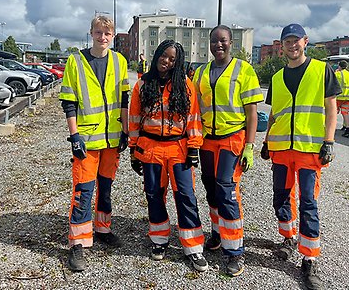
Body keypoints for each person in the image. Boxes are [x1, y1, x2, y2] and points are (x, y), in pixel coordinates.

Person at [260, 23, 341, 290]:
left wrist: (329, 141)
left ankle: (309, 258)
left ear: (305, 42)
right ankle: (288, 238)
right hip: (282, 150)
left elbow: (332, 108)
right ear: (281, 46)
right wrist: (266, 139)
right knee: (281, 199)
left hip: (309, 151)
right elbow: (274, 114)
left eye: (296, 41)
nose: (292, 46)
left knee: (308, 203)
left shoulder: (321, 70)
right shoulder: (277, 77)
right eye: (287, 42)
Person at [128, 39, 208, 272]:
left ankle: (193, 247)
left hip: (178, 148)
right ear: (157, 55)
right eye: (164, 55)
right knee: (154, 194)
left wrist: (194, 148)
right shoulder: (143, 85)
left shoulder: (185, 85)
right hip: (150, 148)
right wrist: (134, 151)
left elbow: (193, 118)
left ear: (178, 62)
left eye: (172, 59)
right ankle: (159, 240)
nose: (167, 61)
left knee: (185, 195)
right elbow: (134, 119)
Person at [59, 15, 130, 272]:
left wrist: (125, 129)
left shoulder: (119, 61)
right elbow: (69, 101)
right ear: (91, 33)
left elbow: (124, 99)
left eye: (107, 33)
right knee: (83, 191)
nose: (103, 37)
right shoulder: (75, 61)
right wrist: (74, 135)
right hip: (87, 141)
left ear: (112, 35)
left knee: (106, 188)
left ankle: (102, 229)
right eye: (99, 32)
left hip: (111, 139)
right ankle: (78, 243)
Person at [192, 25, 264, 277]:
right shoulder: (201, 72)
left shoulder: (244, 69)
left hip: (232, 138)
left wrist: (250, 146)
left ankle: (235, 251)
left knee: (226, 189)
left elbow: (251, 112)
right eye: (214, 41)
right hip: (207, 140)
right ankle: (217, 234)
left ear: (231, 42)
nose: (218, 45)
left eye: (222, 41)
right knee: (210, 187)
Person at [335, 60, 349, 137]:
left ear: (339, 66)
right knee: (345, 113)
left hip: (338, 97)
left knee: (333, 113)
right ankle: (347, 129)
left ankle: (331, 129)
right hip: (348, 97)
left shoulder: (337, 74)